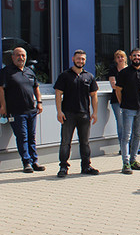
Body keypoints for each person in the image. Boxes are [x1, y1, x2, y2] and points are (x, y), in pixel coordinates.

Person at [54, 50, 99, 178]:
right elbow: (58, 94)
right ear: (73, 59)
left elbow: (94, 96)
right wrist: (59, 111)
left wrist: (95, 113)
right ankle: (63, 167)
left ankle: (86, 166)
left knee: (85, 142)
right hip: (68, 114)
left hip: (84, 114)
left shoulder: (89, 76)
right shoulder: (65, 76)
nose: (81, 61)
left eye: (83, 59)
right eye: (78, 59)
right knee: (65, 142)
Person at [0, 47, 45, 173]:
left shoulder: (29, 71)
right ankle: (26, 163)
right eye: (18, 55)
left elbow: (36, 87)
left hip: (31, 111)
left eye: (23, 56)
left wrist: (39, 102)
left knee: (32, 137)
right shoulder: (6, 72)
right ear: (13, 57)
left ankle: (34, 161)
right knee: (22, 137)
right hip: (16, 111)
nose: (21, 58)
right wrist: (3, 106)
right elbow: (1, 89)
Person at [115, 48, 140, 175]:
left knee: (138, 135)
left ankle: (134, 160)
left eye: (138, 55)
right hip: (128, 109)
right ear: (130, 57)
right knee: (126, 137)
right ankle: (126, 163)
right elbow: (118, 90)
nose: (136, 57)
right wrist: (122, 104)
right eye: (134, 55)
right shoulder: (124, 73)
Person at [108, 50, 128, 154]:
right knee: (121, 124)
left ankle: (131, 147)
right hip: (117, 101)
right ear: (116, 59)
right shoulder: (113, 70)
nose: (120, 59)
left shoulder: (130, 69)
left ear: (125, 58)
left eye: (122, 57)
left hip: (129, 100)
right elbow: (113, 85)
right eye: (118, 57)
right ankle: (123, 147)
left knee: (130, 124)